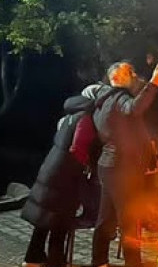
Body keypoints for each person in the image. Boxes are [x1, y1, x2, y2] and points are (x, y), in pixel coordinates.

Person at [20, 88, 117, 267]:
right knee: (61, 223)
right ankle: (56, 262)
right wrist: (87, 168)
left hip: (51, 169)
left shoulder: (70, 116)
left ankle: (32, 259)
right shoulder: (85, 119)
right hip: (66, 177)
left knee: (43, 218)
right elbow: (77, 148)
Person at [90, 61, 158, 267]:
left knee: (106, 218)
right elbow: (134, 109)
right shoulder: (119, 97)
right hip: (121, 168)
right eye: (128, 72)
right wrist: (154, 83)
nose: (133, 75)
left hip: (108, 166)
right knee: (130, 221)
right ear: (116, 78)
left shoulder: (103, 99)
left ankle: (99, 261)